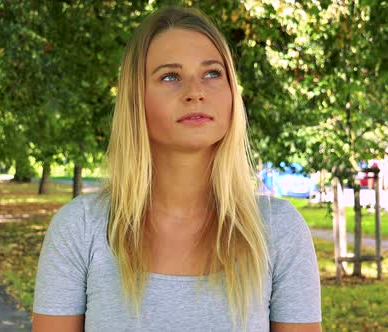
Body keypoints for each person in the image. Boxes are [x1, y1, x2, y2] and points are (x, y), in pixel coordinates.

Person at [32, 7, 321, 332]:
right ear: (135, 99)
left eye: (212, 73)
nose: (196, 91)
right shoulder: (81, 230)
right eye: (170, 76)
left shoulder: (278, 231)